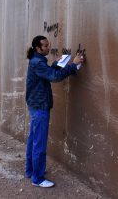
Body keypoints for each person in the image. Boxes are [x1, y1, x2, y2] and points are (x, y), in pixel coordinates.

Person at [25, 35, 85, 188]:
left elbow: (48, 72)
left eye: (48, 44)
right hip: (40, 106)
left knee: (33, 139)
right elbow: (54, 77)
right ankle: (37, 178)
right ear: (38, 48)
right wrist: (73, 65)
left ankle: (31, 170)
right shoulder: (38, 62)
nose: (48, 47)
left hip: (36, 105)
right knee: (39, 142)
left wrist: (58, 63)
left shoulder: (37, 61)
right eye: (45, 46)